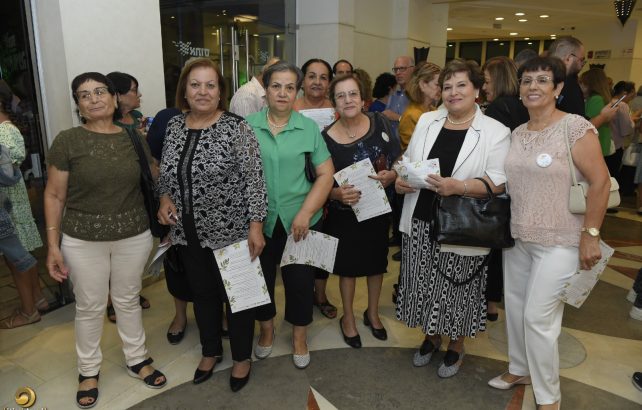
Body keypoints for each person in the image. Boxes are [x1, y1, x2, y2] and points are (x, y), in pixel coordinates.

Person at [488, 56, 610, 410]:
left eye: (543, 80)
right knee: (515, 309)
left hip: (562, 240)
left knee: (538, 318)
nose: (533, 87)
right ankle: (519, 369)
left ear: (558, 88)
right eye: (527, 81)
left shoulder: (575, 128)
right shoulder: (518, 133)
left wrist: (590, 234)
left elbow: (600, 182)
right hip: (519, 237)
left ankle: (548, 397)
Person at [45, 72, 167, 408]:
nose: (94, 99)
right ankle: (88, 370)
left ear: (114, 98)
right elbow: (54, 195)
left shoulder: (132, 137)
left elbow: (152, 175)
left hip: (133, 236)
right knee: (90, 305)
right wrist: (53, 245)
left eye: (100, 91)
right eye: (84, 95)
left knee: (127, 299)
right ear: (79, 105)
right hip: (82, 240)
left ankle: (137, 359)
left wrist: (167, 193)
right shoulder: (68, 141)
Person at [395, 59, 510, 378]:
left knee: (459, 289)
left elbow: (498, 181)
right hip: (420, 217)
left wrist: (458, 187)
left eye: (461, 85)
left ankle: (456, 344)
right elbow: (408, 160)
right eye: (447, 86)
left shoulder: (495, 131)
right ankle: (431, 337)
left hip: (463, 223)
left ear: (477, 90)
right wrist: (400, 178)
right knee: (423, 283)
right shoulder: (428, 120)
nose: (453, 92)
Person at [157, 58, 267, 391]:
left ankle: (242, 357)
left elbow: (255, 180)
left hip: (232, 233)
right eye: (195, 85)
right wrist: (164, 198)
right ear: (185, 91)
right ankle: (210, 350)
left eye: (210, 85)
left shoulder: (237, 127)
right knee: (202, 295)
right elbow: (166, 173)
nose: (202, 91)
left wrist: (256, 226)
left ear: (220, 92)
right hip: (187, 233)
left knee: (238, 298)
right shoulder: (174, 126)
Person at [247, 61, 334, 369]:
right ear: (266, 90)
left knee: (300, 282)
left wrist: (306, 212)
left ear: (296, 92)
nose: (282, 93)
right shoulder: (247, 126)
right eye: (276, 86)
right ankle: (267, 330)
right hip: (260, 221)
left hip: (302, 220)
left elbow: (326, 174)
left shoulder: (308, 128)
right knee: (261, 279)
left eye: (289, 87)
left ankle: (299, 336)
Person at [323, 74, 399, 348]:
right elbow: (318, 182)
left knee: (376, 264)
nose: (348, 100)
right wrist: (335, 193)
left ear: (362, 97)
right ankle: (348, 318)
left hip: (377, 209)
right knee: (349, 268)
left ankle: (373, 313)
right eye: (341, 96)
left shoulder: (380, 122)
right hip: (344, 214)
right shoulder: (325, 138)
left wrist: (393, 175)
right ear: (334, 103)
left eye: (352, 94)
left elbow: (398, 157)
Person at [481, 56, 530, 322]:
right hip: (519, 187)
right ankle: (493, 303)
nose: (484, 87)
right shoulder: (522, 106)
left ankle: (488, 302)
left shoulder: (498, 108)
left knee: (491, 247)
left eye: (487, 81)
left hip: (499, 186)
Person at [0, 81, 48, 329]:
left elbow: (8, 169)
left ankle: (29, 311)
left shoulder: (4, 131)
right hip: (13, 204)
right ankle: (38, 299)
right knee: (23, 257)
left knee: (16, 260)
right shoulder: (7, 129)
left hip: (10, 207)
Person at [105, 71, 151, 323]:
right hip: (117, 195)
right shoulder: (108, 126)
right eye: (134, 90)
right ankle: (112, 301)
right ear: (118, 95)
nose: (139, 94)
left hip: (141, 190)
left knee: (135, 248)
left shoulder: (136, 118)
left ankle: (130, 293)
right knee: (115, 249)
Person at [293, 58, 337, 319]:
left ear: (329, 82)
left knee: (324, 242)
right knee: (300, 246)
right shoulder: (291, 108)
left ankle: (320, 294)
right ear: (303, 81)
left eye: (323, 77)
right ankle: (301, 294)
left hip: (330, 183)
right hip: (298, 185)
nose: (317, 82)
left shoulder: (337, 110)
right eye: (312, 76)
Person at [579, 68, 620, 181]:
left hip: (594, 146)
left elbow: (588, 124)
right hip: (600, 144)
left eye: (581, 83)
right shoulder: (602, 98)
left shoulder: (595, 99)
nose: (580, 86)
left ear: (589, 84)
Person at [399, 62, 442, 150]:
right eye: (437, 85)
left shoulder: (433, 110)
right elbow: (412, 151)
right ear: (422, 84)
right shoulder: (411, 115)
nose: (441, 89)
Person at [383, 56, 415, 137]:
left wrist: (398, 118)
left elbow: (420, 123)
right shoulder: (393, 94)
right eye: (396, 69)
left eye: (402, 69)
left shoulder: (418, 94)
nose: (398, 73)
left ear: (413, 69)